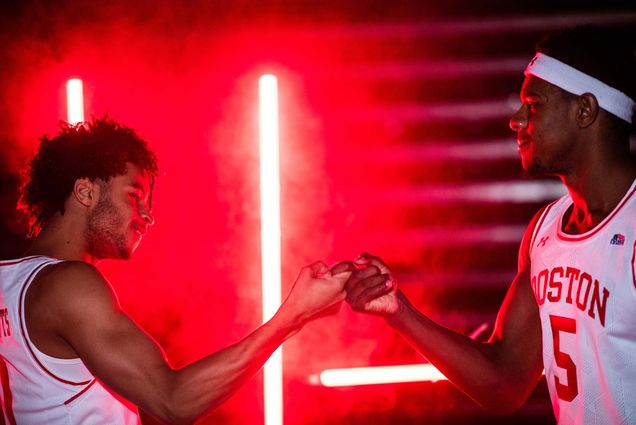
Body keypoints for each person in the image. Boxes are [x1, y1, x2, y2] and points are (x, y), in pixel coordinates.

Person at [344, 26, 636, 424]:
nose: (516, 120)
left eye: (533, 104)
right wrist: (399, 312)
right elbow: (503, 383)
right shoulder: (545, 230)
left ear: (584, 111)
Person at [0, 118, 352, 424]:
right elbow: (174, 401)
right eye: (134, 196)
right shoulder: (68, 284)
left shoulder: (8, 282)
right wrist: (291, 318)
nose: (147, 215)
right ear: (85, 191)